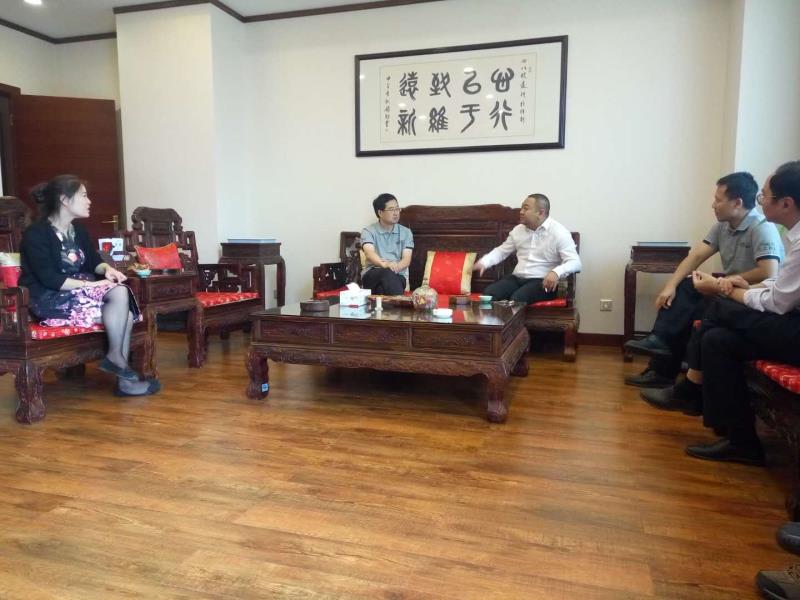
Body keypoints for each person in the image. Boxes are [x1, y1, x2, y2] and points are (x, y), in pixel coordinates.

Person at [641, 161, 800, 465]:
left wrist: (725, 289)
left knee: (718, 306)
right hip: (787, 317)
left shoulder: (770, 231)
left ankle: (688, 385)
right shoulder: (790, 235)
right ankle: (741, 442)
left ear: (786, 203)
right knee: (716, 339)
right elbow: (782, 285)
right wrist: (733, 285)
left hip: (793, 326)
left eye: (764, 196)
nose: (760, 201)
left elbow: (779, 300)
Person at [624, 172, 783, 388]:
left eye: (718, 200)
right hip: (728, 289)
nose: (713, 205)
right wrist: (670, 286)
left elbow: (768, 271)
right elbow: (696, 256)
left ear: (737, 203)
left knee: (689, 310)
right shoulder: (722, 226)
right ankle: (659, 345)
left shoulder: (762, 227)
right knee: (685, 287)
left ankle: (663, 371)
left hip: (752, 296)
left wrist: (726, 281)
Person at [19, 174, 159, 397]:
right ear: (64, 200)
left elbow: (93, 262)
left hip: (78, 294)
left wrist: (107, 269)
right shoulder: (36, 234)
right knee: (122, 305)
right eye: (83, 196)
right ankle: (122, 376)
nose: (89, 201)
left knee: (123, 305)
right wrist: (92, 285)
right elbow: (50, 280)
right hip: (49, 299)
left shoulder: (78, 230)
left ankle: (117, 362)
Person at [472, 194, 580, 304]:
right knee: (489, 294)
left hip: (542, 282)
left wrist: (556, 272)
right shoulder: (518, 230)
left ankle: (510, 315)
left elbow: (575, 262)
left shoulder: (559, 232)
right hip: (517, 279)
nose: (521, 212)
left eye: (526, 208)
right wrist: (484, 262)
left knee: (518, 299)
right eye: (521, 208)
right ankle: (490, 316)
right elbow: (502, 251)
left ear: (540, 213)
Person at [360, 193, 413, 295]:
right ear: (380, 212)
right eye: (391, 209)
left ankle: (390, 303)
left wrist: (394, 268)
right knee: (386, 272)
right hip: (372, 275)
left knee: (382, 288)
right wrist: (386, 265)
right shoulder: (368, 231)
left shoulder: (406, 232)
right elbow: (369, 253)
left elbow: (406, 259)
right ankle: (400, 302)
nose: (396, 213)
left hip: (398, 275)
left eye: (397, 208)